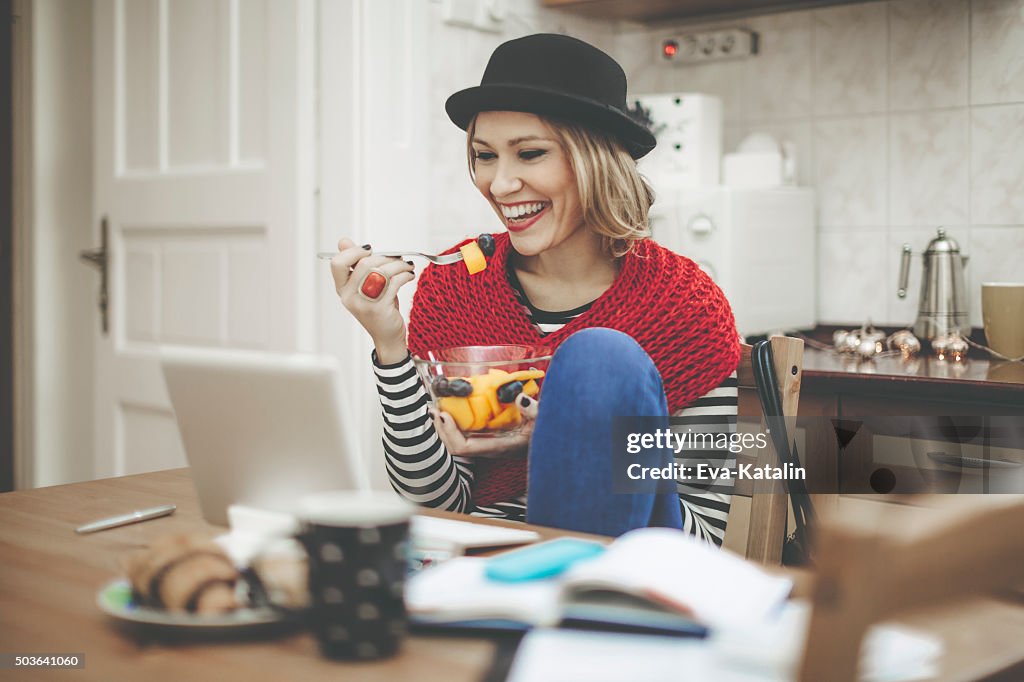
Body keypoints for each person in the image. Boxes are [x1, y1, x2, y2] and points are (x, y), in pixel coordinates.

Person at [330, 34, 740, 542]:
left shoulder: (684, 304)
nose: (499, 185)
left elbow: (705, 536)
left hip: (621, 571)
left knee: (598, 359)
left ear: (595, 159)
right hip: (485, 566)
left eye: (529, 153)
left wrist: (577, 438)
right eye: (484, 156)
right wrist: (389, 345)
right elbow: (437, 504)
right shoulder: (454, 286)